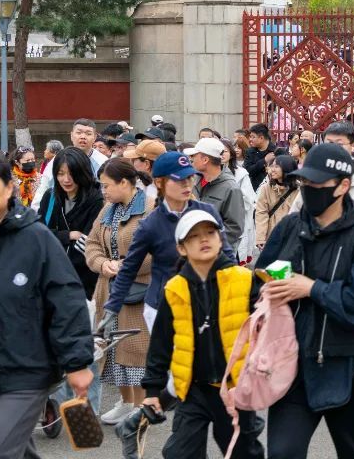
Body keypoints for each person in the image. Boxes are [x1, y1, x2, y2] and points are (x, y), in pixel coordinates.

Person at [254, 142, 354, 459]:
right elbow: (258, 279)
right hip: (294, 365)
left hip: (353, 366)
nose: (309, 189)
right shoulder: (290, 227)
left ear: (343, 185)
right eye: (305, 182)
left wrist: (311, 289)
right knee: (282, 453)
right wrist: (267, 292)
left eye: (318, 184)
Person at [0, 152, 94, 459]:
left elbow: (67, 299)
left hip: (25, 372)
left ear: (9, 188)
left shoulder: (36, 238)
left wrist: (77, 362)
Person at [141, 211, 264, 458]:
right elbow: (160, 345)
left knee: (244, 453)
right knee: (179, 454)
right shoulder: (174, 288)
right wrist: (153, 392)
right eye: (194, 236)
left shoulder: (245, 280)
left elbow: (267, 326)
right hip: (193, 390)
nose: (204, 239)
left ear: (220, 239)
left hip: (234, 390)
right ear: (182, 248)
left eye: (210, 233)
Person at [104, 151, 231, 332]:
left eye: (190, 178)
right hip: (163, 306)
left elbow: (226, 256)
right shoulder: (150, 225)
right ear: (159, 183)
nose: (187, 184)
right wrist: (111, 308)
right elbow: (129, 268)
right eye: (179, 180)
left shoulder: (207, 212)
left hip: (207, 301)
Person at [85, 159, 154, 425]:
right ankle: (126, 401)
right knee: (112, 348)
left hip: (138, 290)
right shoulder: (107, 210)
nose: (103, 191)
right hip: (108, 288)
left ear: (124, 183)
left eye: (107, 185)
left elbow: (157, 251)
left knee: (136, 349)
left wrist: (124, 266)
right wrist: (103, 263)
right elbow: (92, 244)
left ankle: (142, 404)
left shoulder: (149, 209)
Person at [36, 146, 105, 300]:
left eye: (72, 174)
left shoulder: (96, 201)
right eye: (60, 174)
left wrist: (54, 237)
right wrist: (68, 235)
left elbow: (88, 245)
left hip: (83, 283)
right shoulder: (50, 196)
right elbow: (38, 235)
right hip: (50, 278)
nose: (66, 180)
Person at [32, 118, 108, 210]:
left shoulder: (103, 162)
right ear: (71, 135)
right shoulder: (59, 159)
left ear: (95, 137)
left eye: (88, 134)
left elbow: (106, 192)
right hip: (62, 210)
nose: (83, 137)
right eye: (79, 133)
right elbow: (44, 187)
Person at [187, 137, 246, 247]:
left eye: (194, 155)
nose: (191, 159)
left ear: (205, 160)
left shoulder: (231, 188)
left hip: (218, 255)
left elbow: (234, 228)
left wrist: (209, 244)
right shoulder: (193, 180)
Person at [253, 154, 299, 250]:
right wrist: (260, 238)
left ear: (287, 168)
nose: (272, 169)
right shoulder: (266, 188)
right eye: (272, 166)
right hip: (272, 235)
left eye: (276, 166)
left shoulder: (299, 189)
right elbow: (261, 213)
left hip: (292, 236)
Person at [243, 123, 276, 192]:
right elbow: (247, 171)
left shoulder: (276, 151)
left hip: (273, 190)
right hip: (255, 190)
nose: (250, 139)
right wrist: (264, 161)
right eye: (250, 137)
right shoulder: (250, 152)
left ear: (261, 138)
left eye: (253, 137)